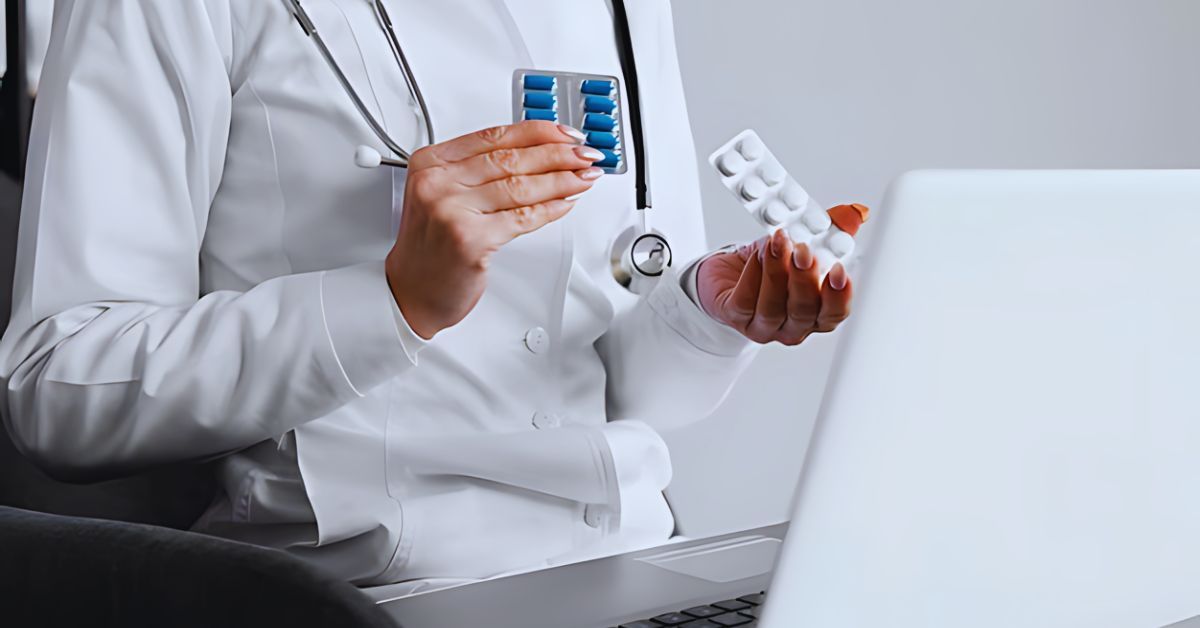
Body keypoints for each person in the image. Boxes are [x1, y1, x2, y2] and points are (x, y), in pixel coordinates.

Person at [0, 0, 856, 587]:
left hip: (630, 566)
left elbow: (611, 391)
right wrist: (392, 302)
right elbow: (57, 384)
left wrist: (703, 313)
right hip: (361, 586)